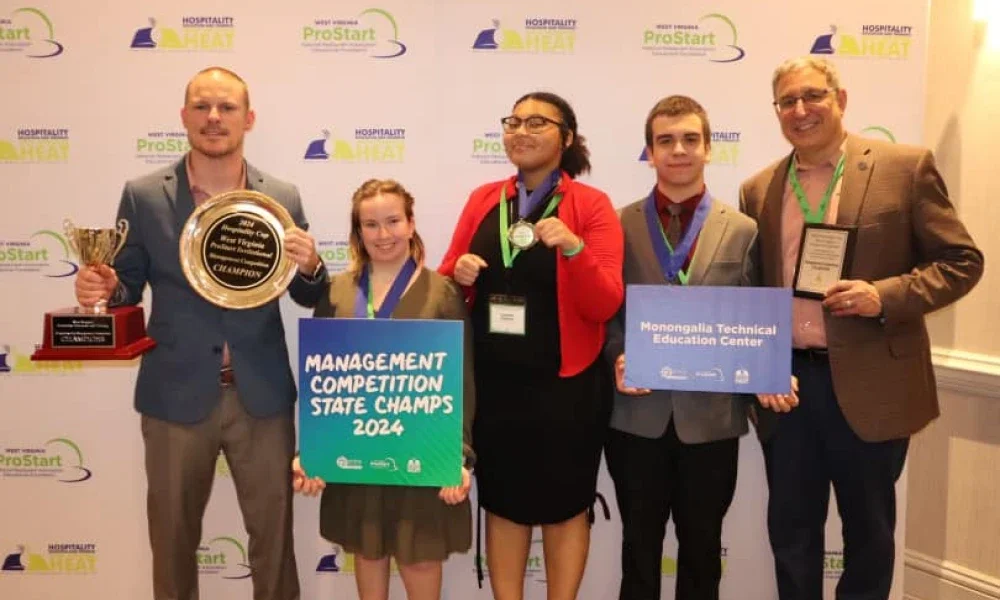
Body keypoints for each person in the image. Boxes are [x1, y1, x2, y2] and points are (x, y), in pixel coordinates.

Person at [73, 66, 326, 600]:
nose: (214, 117)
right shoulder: (143, 195)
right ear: (184, 116)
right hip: (174, 393)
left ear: (248, 119)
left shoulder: (280, 197)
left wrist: (309, 266)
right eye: (202, 106)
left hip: (261, 396)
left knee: (274, 542)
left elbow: (308, 296)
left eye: (227, 107)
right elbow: (126, 288)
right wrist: (105, 286)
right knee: (171, 540)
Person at [740, 56, 984, 600]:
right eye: (787, 101)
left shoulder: (905, 167)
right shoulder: (758, 189)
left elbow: (962, 262)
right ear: (776, 111)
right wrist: (762, 365)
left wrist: (884, 297)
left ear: (841, 100)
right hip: (789, 388)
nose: (801, 110)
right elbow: (755, 292)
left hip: (873, 385)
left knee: (870, 537)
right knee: (791, 534)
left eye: (813, 96)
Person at [439, 91, 623, 600]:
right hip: (495, 387)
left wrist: (575, 248)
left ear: (567, 137)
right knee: (503, 505)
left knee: (566, 509)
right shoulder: (484, 199)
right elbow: (446, 282)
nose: (520, 131)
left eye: (537, 122)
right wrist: (459, 273)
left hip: (566, 390)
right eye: (513, 122)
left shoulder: (591, 205)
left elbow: (606, 302)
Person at [605, 95, 784, 600]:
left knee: (703, 551)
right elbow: (602, 312)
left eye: (690, 139)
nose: (678, 150)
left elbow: (754, 317)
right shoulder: (617, 225)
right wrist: (616, 356)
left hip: (711, 420)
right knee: (638, 550)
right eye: (665, 141)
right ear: (650, 152)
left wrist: (769, 369)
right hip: (636, 418)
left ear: (708, 148)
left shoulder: (743, 230)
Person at [292, 178, 475, 600]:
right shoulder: (337, 293)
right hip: (357, 455)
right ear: (358, 232)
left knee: (421, 556)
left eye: (393, 221)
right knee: (368, 550)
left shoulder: (443, 293)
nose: (383, 234)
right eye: (370, 224)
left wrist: (460, 457)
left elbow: (462, 383)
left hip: (423, 456)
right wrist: (310, 453)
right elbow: (322, 381)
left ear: (411, 224)